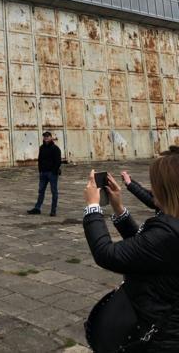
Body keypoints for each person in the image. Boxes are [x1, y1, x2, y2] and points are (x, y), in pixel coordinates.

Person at [82, 149, 179, 350]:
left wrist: (92, 207)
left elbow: (107, 254)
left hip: (160, 337)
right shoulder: (170, 224)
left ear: (166, 188)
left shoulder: (169, 232)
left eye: (154, 184)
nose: (151, 189)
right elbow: (146, 248)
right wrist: (118, 208)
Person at [27, 131, 62, 216]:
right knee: (41, 191)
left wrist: (54, 171)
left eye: (47, 136)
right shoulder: (42, 148)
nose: (46, 138)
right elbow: (40, 160)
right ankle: (37, 208)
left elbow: (58, 161)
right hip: (43, 173)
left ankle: (53, 210)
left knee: (54, 192)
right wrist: (40, 171)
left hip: (52, 174)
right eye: (44, 136)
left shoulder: (55, 148)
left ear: (51, 137)